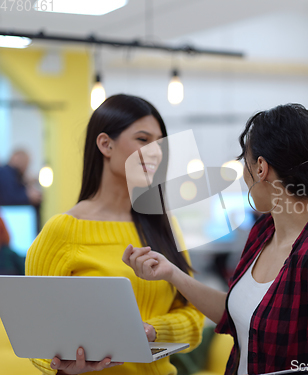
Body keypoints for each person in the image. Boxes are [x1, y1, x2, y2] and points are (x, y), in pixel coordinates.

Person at [124, 104, 308, 375]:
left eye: (244, 163)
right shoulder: (263, 233)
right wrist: (172, 273)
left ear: (261, 168)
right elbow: (235, 313)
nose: (244, 178)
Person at [26, 94, 204, 375]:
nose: (156, 152)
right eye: (143, 140)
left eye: (160, 143)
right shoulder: (62, 231)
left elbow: (194, 318)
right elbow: (34, 337)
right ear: (105, 144)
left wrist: (151, 331)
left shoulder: (162, 225)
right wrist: (63, 367)